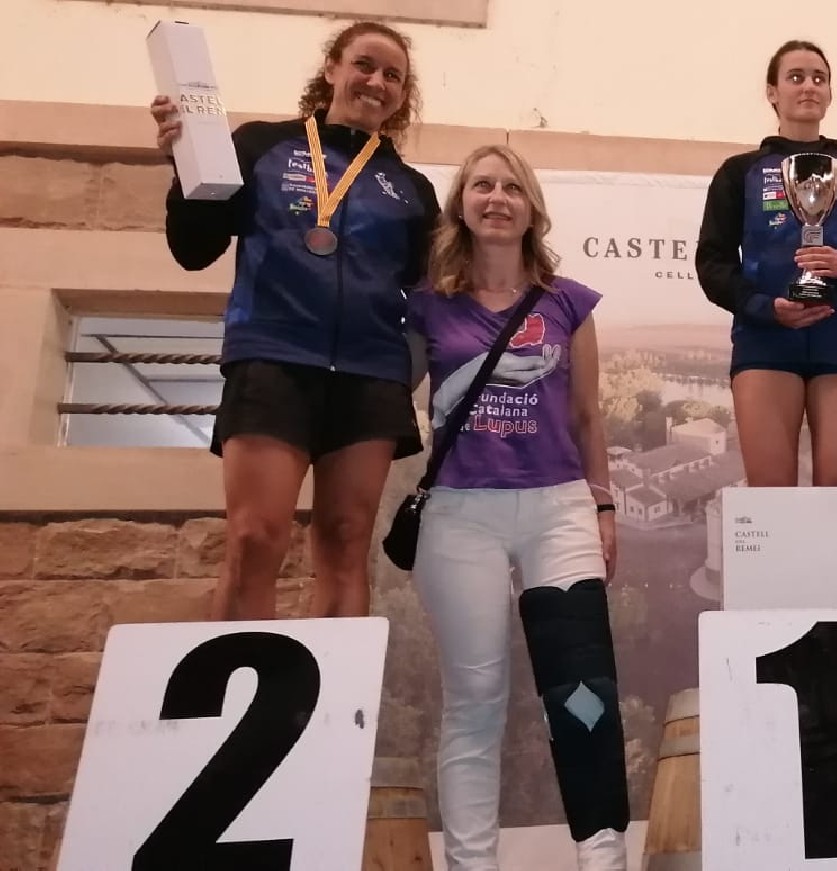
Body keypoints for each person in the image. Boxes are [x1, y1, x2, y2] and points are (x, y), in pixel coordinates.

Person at [152, 20, 438, 621]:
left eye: (393, 76)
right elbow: (194, 249)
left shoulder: (411, 187)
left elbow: (429, 291)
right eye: (364, 65)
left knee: (345, 541)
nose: (377, 82)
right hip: (273, 358)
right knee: (255, 536)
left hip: (370, 374)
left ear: (402, 94)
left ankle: (335, 681)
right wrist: (185, 165)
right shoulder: (259, 145)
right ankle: (236, 676)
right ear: (332, 68)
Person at [406, 145, 628, 871]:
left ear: (531, 208)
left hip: (559, 509)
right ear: (461, 204)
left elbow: (588, 416)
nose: (496, 197)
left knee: (583, 691)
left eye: (511, 187)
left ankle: (603, 857)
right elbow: (391, 392)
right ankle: (472, 864)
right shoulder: (426, 304)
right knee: (475, 698)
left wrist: (602, 506)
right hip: (459, 514)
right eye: (481, 185)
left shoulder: (569, 302)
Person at [696, 39, 837, 488]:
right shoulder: (739, 172)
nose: (809, 86)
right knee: (771, 497)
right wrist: (765, 308)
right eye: (795, 77)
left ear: (830, 93)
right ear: (772, 92)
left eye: (819, 78)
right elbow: (713, 263)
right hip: (764, 342)